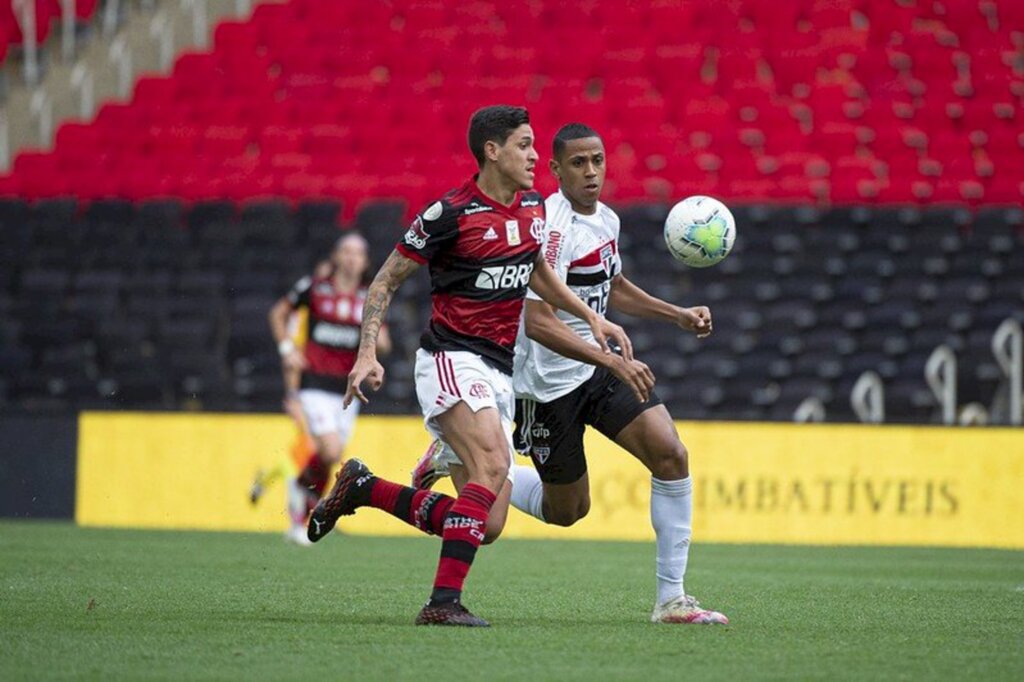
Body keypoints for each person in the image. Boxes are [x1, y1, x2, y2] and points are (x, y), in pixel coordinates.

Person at [305, 105, 632, 627]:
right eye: (524, 146)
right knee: (493, 467)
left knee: (488, 521)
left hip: (499, 372)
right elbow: (385, 281)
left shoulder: (531, 205)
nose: (533, 156)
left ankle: (363, 488)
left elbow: (538, 275)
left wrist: (591, 318)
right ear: (492, 151)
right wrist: (366, 352)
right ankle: (442, 604)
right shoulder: (448, 215)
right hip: (452, 358)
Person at [414, 123, 729, 625]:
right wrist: (611, 359)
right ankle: (458, 458)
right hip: (544, 389)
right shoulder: (548, 226)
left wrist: (677, 314)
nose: (591, 172)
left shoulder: (606, 219)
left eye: (598, 160)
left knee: (671, 454)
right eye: (578, 163)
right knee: (568, 510)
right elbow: (536, 322)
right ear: (556, 169)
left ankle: (672, 600)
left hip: (596, 372)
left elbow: (613, 283)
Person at [266, 235, 390, 545]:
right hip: (315, 385)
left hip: (347, 390)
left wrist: (375, 346)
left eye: (358, 253)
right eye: (346, 251)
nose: (352, 258)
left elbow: (383, 341)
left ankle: (300, 508)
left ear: (364, 261)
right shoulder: (315, 288)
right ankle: (304, 509)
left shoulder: (368, 297)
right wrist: (286, 348)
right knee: (332, 450)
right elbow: (278, 314)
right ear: (336, 256)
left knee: (330, 457)